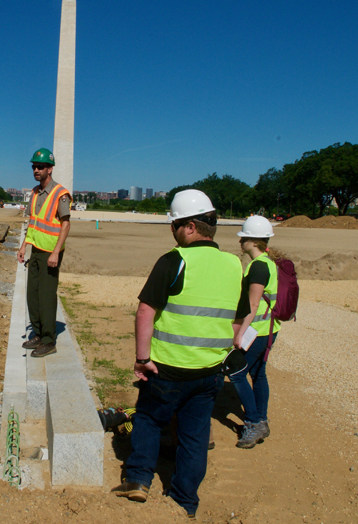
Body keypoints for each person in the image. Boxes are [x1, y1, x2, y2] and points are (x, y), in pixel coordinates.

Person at [112, 190, 249, 518]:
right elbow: (238, 320)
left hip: (167, 369)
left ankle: (138, 480)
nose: (171, 232)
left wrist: (142, 358)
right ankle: (185, 500)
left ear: (189, 227)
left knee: (147, 417)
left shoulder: (175, 260)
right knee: (195, 433)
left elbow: (146, 311)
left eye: (173, 225)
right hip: (209, 372)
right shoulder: (233, 264)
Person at [16, 148, 70, 357]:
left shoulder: (60, 194)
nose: (36, 170)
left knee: (46, 296)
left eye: (40, 167)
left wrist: (56, 252)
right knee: (33, 294)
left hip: (51, 252)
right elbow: (33, 222)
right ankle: (38, 333)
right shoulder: (35, 192)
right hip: (36, 250)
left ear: (50, 169)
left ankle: (49, 340)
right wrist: (23, 246)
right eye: (34, 167)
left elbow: (65, 225)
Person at [231, 215, 279, 449]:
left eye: (243, 238)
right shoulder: (269, 263)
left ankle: (254, 421)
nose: (240, 243)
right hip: (269, 329)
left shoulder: (259, 266)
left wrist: (239, 333)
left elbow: (252, 304)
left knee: (237, 373)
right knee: (259, 374)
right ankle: (262, 418)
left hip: (257, 332)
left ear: (253, 241)